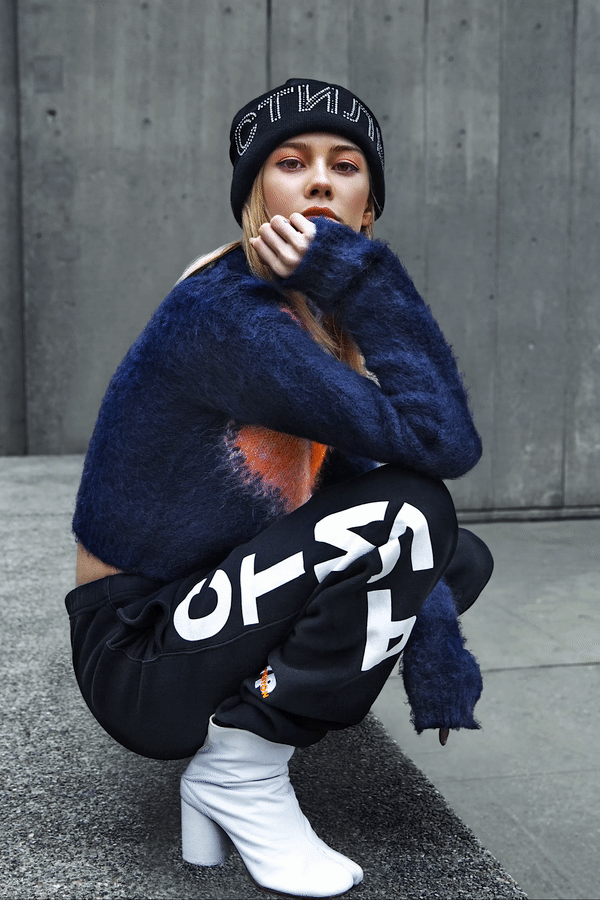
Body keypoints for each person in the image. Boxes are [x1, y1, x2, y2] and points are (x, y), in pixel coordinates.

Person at [66, 78, 493, 897]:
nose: (321, 182)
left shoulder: (309, 318)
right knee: (413, 517)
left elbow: (365, 478)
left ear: (368, 206)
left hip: (195, 610)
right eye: (291, 164)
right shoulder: (231, 314)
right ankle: (239, 770)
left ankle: (237, 742)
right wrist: (366, 280)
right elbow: (445, 444)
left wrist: (432, 635)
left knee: (452, 555)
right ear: (255, 198)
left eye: (346, 166)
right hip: (136, 653)